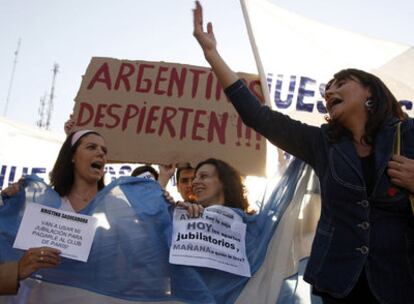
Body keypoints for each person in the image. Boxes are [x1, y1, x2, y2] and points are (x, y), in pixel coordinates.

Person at [192, 2, 414, 303]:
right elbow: (259, 117)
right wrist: (212, 55)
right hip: (338, 285)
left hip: (400, 282)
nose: (329, 91)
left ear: (370, 92)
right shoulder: (322, 144)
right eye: (327, 88)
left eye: (341, 83)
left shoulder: (408, 133)